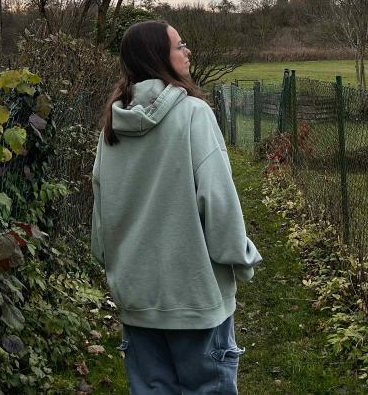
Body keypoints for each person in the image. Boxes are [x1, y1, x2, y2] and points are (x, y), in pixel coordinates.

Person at [91, 20, 262, 394]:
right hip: (196, 298)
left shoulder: (111, 127)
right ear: (157, 58)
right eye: (179, 46)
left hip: (137, 298)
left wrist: (114, 267)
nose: (188, 52)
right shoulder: (194, 114)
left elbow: (101, 213)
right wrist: (239, 257)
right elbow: (217, 200)